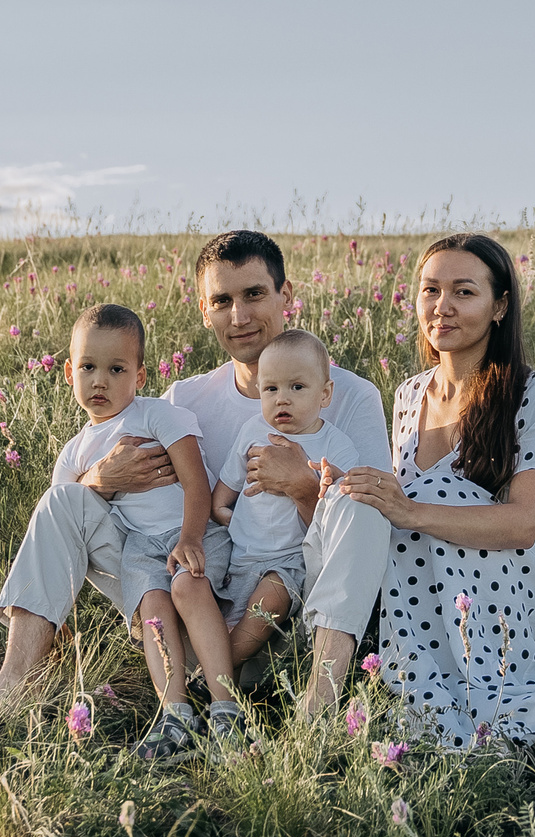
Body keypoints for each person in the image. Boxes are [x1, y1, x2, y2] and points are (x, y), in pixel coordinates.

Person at [334, 232, 535, 749]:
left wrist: (409, 510)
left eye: (463, 292)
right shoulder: (409, 394)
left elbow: (523, 525)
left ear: (499, 306)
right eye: (430, 290)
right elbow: (401, 507)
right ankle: (412, 675)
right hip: (436, 587)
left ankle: (489, 689)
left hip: (532, 590)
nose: (442, 306)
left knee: (444, 495)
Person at [0, 305, 222, 748]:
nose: (100, 381)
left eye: (116, 369)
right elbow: (57, 535)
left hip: (192, 545)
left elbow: (197, 484)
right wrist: (100, 480)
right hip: (139, 553)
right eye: (88, 367)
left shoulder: (157, 415)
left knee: (181, 582)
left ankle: (214, 692)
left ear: (140, 376)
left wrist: (189, 537)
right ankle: (16, 680)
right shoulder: (74, 451)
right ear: (69, 372)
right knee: (59, 499)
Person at [167, 230, 391, 719]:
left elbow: (372, 525)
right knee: (71, 502)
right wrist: (101, 478)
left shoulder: (350, 396)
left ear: (285, 294)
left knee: (363, 501)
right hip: (214, 585)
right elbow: (209, 498)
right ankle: (172, 666)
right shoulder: (182, 400)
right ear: (204, 310)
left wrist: (303, 487)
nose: (239, 316)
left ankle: (309, 697)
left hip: (306, 613)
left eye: (254, 294)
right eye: (221, 301)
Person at [170, 327, 325, 729]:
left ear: (324, 394)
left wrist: (305, 485)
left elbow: (332, 518)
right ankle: (221, 698)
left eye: (296, 388)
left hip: (288, 560)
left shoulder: (332, 444)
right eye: (271, 389)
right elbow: (223, 494)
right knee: (201, 591)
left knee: (270, 601)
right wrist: (226, 515)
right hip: (240, 553)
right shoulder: (251, 432)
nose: (282, 399)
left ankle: (210, 680)